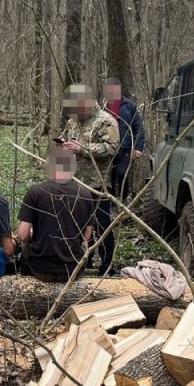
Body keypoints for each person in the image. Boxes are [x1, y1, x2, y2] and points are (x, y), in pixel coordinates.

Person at [58, 83, 120, 273]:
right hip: (76, 182)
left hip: (97, 183)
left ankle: (107, 264)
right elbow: (67, 138)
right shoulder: (73, 121)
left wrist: (83, 149)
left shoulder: (106, 121)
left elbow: (111, 148)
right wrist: (63, 146)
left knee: (101, 224)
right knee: (78, 223)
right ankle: (85, 260)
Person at [16, 146, 98, 282]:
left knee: (24, 248)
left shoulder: (36, 192)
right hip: (73, 270)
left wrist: (34, 237)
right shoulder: (85, 194)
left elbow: (22, 235)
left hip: (40, 269)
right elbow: (87, 236)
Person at [102, 76, 146, 200]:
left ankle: (124, 198)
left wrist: (138, 147)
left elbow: (138, 127)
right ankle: (111, 200)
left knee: (121, 173)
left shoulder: (129, 105)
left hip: (126, 147)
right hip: (109, 146)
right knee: (110, 175)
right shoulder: (104, 107)